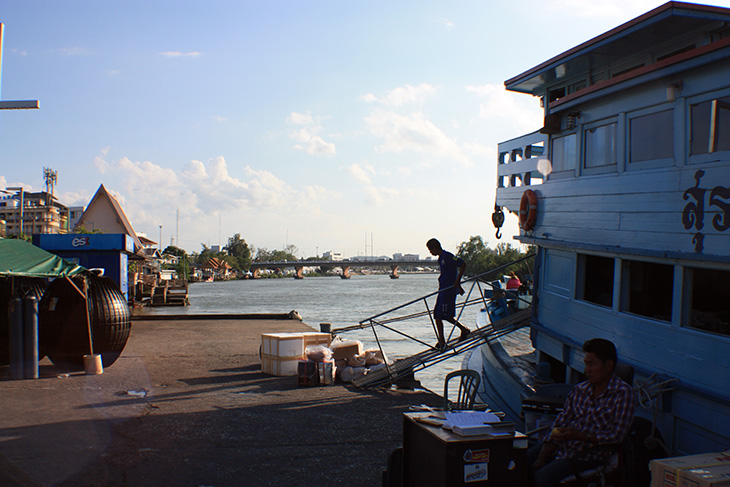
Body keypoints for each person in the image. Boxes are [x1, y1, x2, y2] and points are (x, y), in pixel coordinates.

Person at [529, 338, 635, 487]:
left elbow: (616, 436)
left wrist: (581, 436)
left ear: (609, 365)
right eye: (586, 364)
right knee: (522, 459)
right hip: (563, 446)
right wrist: (542, 456)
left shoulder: (623, 394)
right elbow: (559, 424)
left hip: (589, 456)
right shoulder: (580, 390)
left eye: (592, 364)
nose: (587, 370)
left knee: (542, 477)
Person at [426, 238, 470, 349]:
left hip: (448, 291)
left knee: (445, 315)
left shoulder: (448, 256)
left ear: (435, 248)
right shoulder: (440, 259)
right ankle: (441, 341)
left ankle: (464, 329)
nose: (430, 252)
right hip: (442, 290)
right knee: (437, 315)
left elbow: (462, 264)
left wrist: (458, 282)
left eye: (430, 250)